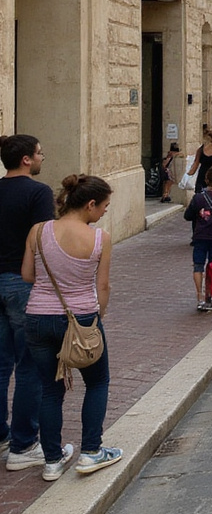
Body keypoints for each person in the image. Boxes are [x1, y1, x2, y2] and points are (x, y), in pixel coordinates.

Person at [23, 174, 121, 481]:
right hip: (81, 317)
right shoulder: (99, 238)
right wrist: (97, 316)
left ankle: (52, 459)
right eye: (104, 205)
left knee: (49, 391)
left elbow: (27, 275)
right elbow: (101, 285)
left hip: (38, 316)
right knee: (97, 381)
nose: (105, 211)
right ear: (90, 204)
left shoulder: (38, 231)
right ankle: (91, 451)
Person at [0, 135, 53, 473]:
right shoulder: (39, 192)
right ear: (25, 160)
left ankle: (2, 437)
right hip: (23, 281)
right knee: (30, 364)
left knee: (1, 363)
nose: (41, 156)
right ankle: (23, 445)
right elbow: (43, 240)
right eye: (39, 152)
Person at [183, 163, 212, 313]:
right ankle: (210, 296)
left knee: (198, 265)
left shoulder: (198, 198)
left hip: (200, 236)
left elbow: (187, 216)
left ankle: (199, 297)